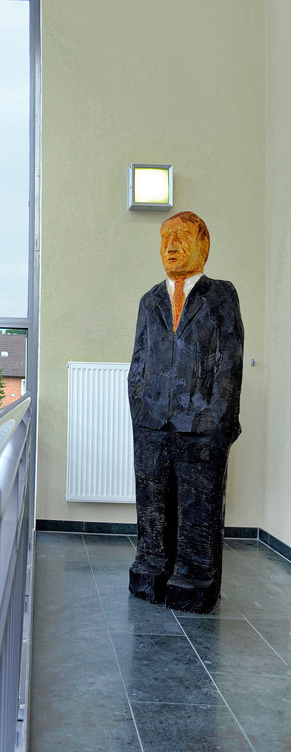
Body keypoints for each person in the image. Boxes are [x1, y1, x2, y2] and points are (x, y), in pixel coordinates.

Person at [127, 211, 243, 613]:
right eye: (165, 239)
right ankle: (151, 568)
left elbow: (230, 362)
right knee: (152, 504)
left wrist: (217, 421)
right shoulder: (150, 300)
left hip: (202, 424)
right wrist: (139, 410)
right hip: (151, 423)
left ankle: (195, 580)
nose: (172, 246)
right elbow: (138, 360)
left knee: (199, 508)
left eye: (182, 236)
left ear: (203, 246)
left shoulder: (221, 295)